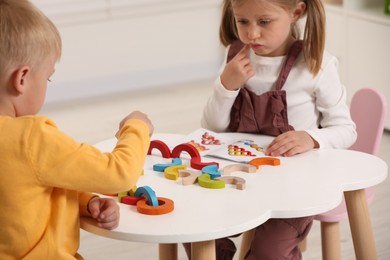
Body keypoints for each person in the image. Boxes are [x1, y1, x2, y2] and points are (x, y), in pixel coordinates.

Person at [187, 0, 357, 259]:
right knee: (196, 229)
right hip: (238, 181)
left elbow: (346, 129)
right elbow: (212, 128)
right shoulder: (235, 56)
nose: (251, 34)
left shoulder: (316, 63)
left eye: (264, 22)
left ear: (296, 12)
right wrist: (226, 85)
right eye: (242, 21)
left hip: (295, 189)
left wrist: (311, 138)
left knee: (270, 251)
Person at [0, 0, 154, 259]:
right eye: (47, 77)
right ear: (22, 79)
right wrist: (137, 127)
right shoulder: (31, 139)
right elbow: (118, 174)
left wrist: (86, 202)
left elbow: (22, 193)